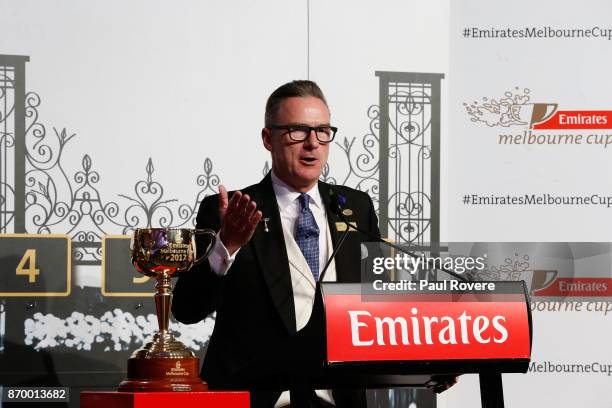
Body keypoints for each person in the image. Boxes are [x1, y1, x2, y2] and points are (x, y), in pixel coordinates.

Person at [172, 80, 381, 407]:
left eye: (323, 131)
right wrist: (226, 246)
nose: (312, 144)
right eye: (298, 131)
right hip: (256, 398)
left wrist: (432, 361)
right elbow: (187, 309)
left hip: (340, 398)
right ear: (268, 139)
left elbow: (375, 310)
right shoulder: (230, 210)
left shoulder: (357, 208)